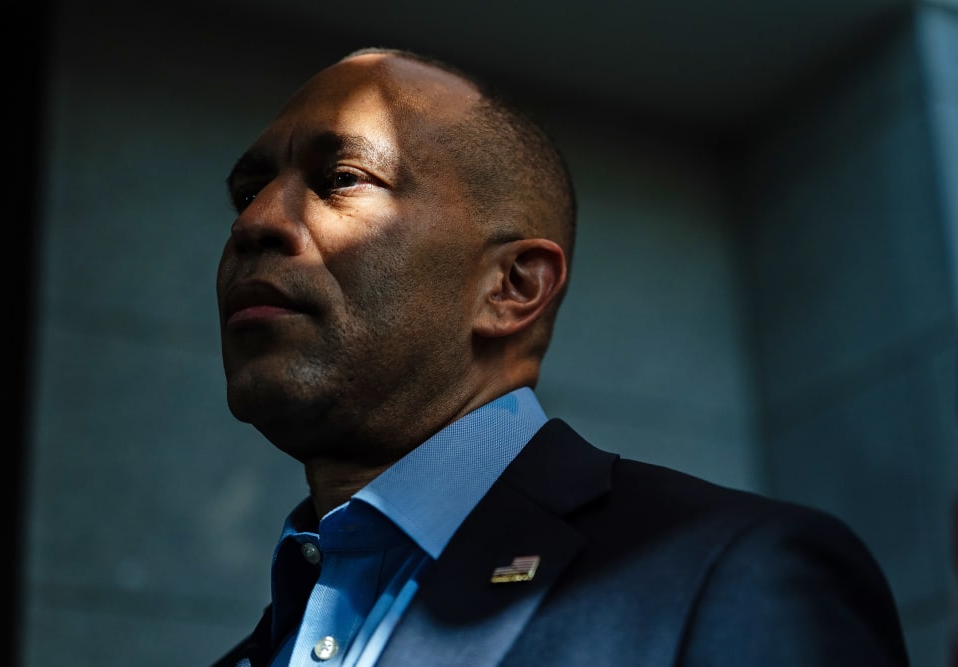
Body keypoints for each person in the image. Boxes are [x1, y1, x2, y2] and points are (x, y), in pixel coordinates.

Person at [210, 47, 910, 667]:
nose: (254, 221)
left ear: (512, 287)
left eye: (341, 177)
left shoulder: (739, 574)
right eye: (247, 193)